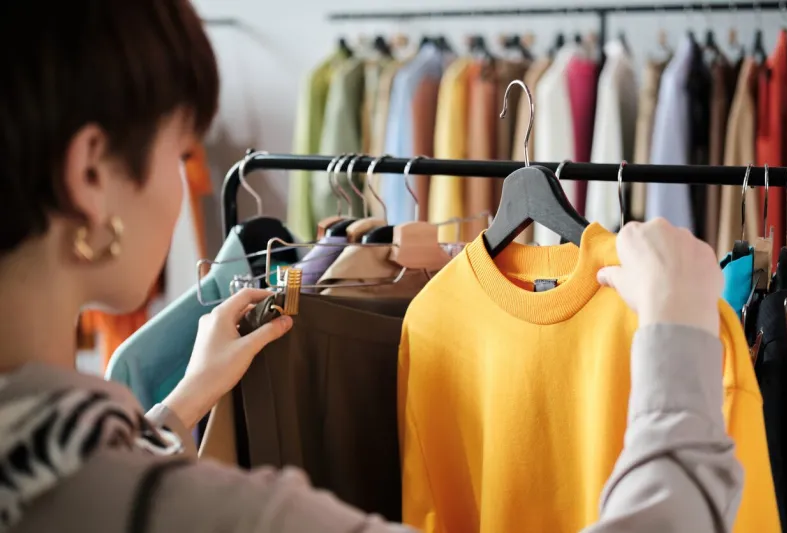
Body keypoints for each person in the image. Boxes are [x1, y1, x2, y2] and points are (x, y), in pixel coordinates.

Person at [0, 2, 741, 532]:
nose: (182, 181)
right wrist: (678, 334)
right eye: (179, 150)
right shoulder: (224, 514)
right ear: (91, 175)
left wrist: (179, 407)